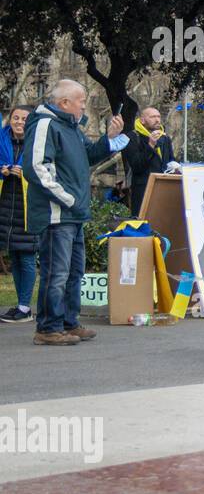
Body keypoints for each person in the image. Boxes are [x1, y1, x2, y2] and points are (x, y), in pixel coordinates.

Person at [21, 80, 127, 345]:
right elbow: (36, 168)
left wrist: (109, 139)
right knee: (56, 274)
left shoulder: (72, 128)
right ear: (64, 103)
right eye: (80, 100)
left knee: (73, 273)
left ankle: (68, 323)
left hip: (73, 214)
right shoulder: (46, 124)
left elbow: (89, 155)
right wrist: (68, 199)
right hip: (57, 214)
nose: (84, 104)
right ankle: (47, 329)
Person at [0, 105, 37, 323]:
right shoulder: (2, 139)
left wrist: (26, 172)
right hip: (6, 208)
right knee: (14, 256)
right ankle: (20, 305)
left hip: (28, 209)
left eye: (24, 118)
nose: (19, 122)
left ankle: (25, 307)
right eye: (16, 117)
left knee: (27, 257)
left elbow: (48, 170)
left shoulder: (36, 143)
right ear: (10, 120)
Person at [122, 105, 177, 215]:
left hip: (164, 190)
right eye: (152, 117)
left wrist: (176, 167)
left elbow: (170, 161)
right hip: (143, 191)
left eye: (159, 116)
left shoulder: (165, 138)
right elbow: (136, 165)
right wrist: (150, 145)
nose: (157, 120)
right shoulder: (132, 137)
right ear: (142, 120)